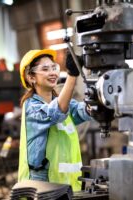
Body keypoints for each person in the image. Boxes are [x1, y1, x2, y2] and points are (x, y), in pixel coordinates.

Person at [18, 49, 91, 191]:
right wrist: (72, 75)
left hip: (68, 184)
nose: (52, 73)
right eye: (45, 69)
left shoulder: (64, 102)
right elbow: (55, 112)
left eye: (54, 67)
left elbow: (84, 111)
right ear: (31, 77)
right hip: (42, 185)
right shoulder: (31, 107)